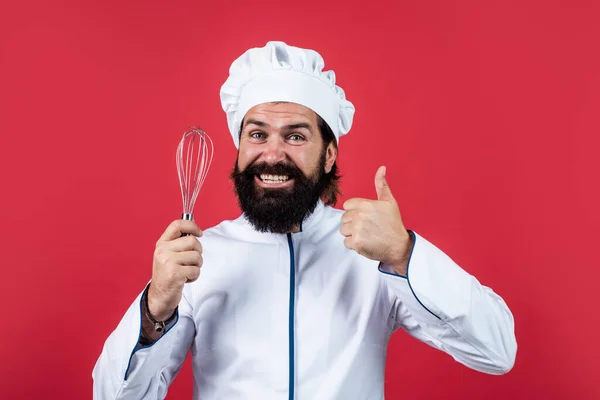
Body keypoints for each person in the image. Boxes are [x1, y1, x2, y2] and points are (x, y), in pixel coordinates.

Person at [92, 41, 517, 399]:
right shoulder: (201, 259)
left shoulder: (373, 251)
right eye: (257, 134)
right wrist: (154, 308)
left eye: (295, 136)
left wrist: (404, 254)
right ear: (239, 148)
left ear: (329, 154)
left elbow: (497, 352)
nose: (273, 154)